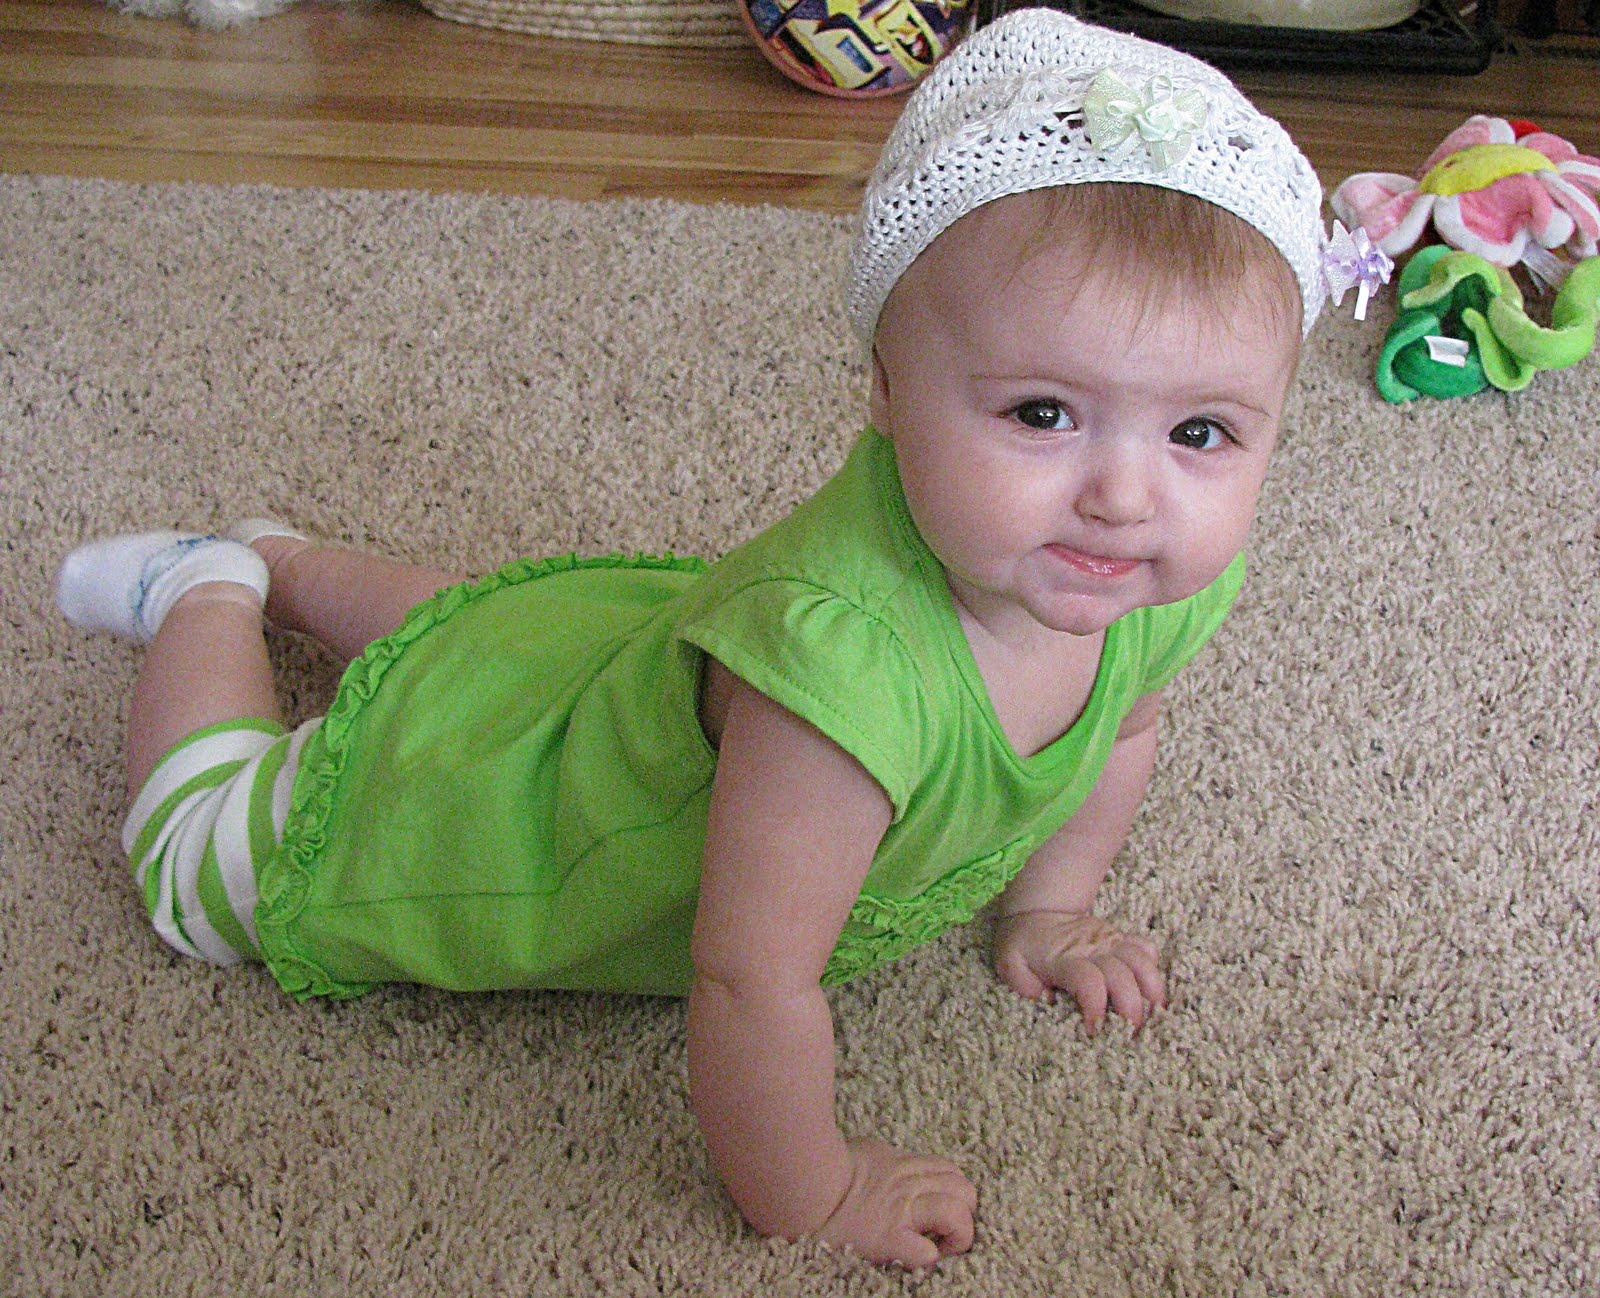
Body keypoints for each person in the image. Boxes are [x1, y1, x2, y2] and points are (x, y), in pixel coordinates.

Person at [54, 9, 1343, 1271]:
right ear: (885, 389)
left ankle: (294, 560)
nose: (1125, 497)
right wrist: (815, 1191)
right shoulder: (837, 683)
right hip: (491, 817)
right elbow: (749, 980)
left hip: (591, 661)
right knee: (203, 875)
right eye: (1045, 413)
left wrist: (1053, 909)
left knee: (482, 631)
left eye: (1202, 434)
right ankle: (213, 585)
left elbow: (1127, 726)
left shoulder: (1148, 581)